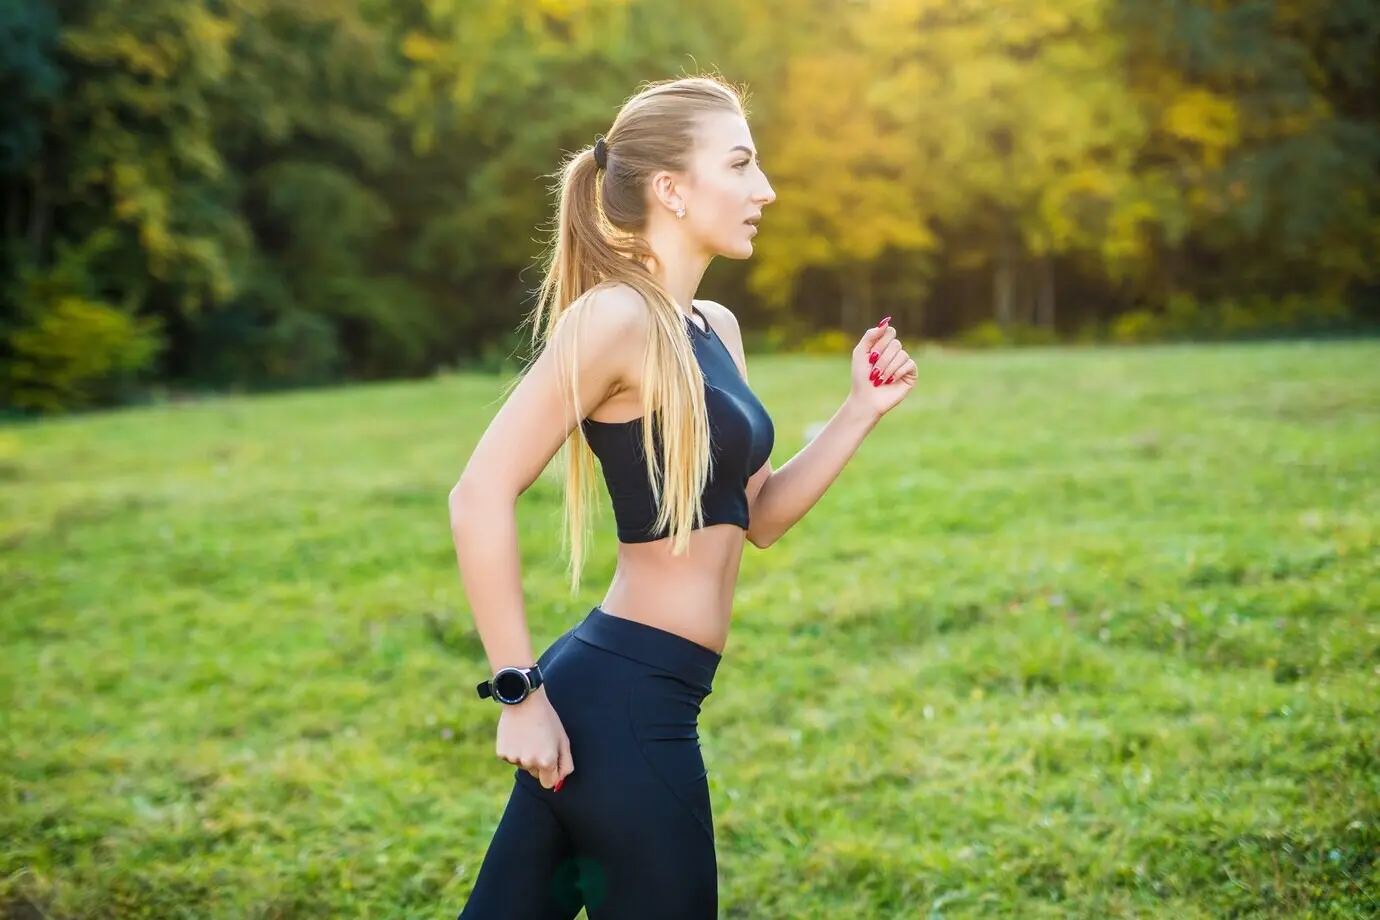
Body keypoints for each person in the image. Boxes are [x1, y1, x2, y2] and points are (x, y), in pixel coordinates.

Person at [448, 75, 917, 920]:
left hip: (635, 694)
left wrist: (858, 412)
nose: (764, 188)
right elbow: (478, 492)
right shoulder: (612, 320)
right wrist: (518, 696)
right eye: (739, 164)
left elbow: (758, 517)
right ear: (670, 188)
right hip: (624, 701)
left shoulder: (711, 327)